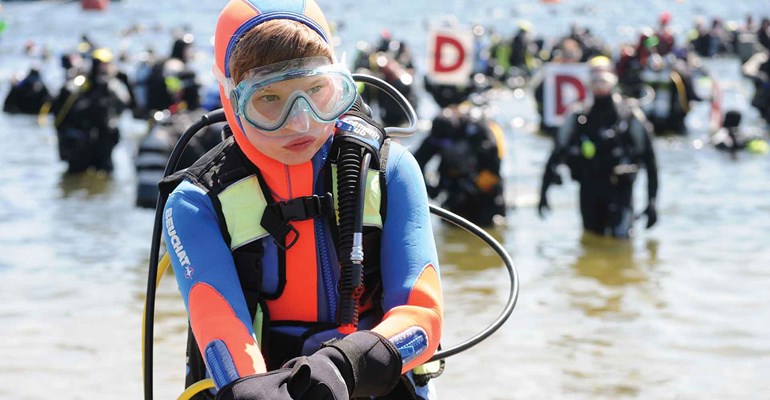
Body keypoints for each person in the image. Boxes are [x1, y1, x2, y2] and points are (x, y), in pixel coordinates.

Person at [160, 1, 443, 399]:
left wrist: (343, 367)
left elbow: (423, 318)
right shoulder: (197, 203)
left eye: (315, 90)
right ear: (230, 98)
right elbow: (223, 334)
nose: (300, 121)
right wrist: (260, 390)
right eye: (270, 99)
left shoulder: (389, 170)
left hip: (375, 381)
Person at [538, 56, 659, 239]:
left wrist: (652, 202)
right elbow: (555, 154)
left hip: (621, 192)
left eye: (603, 76)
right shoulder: (578, 117)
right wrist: (543, 193)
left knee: (621, 244)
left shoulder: (629, 115)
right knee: (591, 241)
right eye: (594, 76)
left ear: (613, 77)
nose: (599, 82)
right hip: (589, 191)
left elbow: (650, 160)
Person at [414, 85, 507, 227]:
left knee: (488, 224)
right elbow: (416, 163)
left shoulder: (477, 130)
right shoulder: (438, 134)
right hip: (454, 188)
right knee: (451, 225)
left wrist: (472, 185)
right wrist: (427, 188)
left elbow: (494, 163)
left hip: (483, 187)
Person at [50, 47, 131, 173]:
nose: (103, 68)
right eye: (101, 64)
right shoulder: (79, 84)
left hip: (104, 141)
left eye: (106, 64)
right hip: (81, 143)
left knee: (105, 174)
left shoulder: (113, 86)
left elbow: (126, 105)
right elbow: (66, 111)